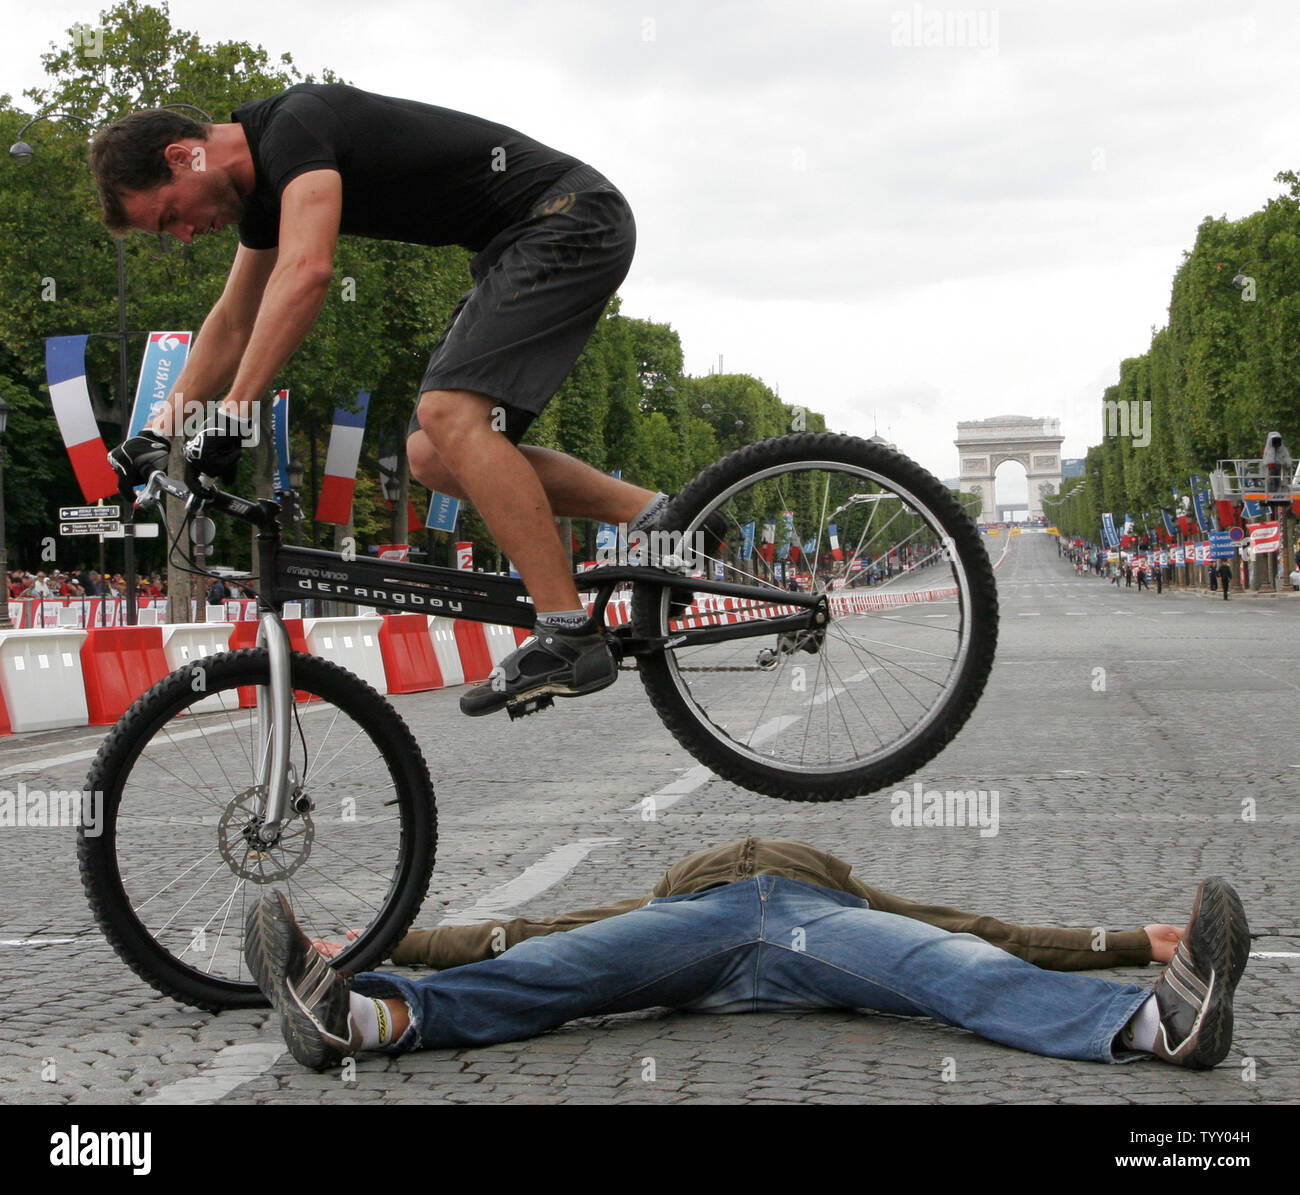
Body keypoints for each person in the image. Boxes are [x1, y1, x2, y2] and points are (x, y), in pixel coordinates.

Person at [93, 85, 672, 717]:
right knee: (433, 455)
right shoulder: (261, 196)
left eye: (169, 214)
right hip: (521, 240)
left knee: (450, 411)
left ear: (183, 158)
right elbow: (233, 319)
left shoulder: (295, 125)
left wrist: (236, 409)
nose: (182, 235)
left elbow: (308, 270)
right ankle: (662, 515)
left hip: (567, 214)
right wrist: (157, 430)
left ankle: (567, 632)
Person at [244, 838, 1250, 1074]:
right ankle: (360, 1008)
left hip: (812, 916)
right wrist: (379, 943)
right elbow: (523, 933)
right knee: (545, 973)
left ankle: (1157, 1019)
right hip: (714, 919)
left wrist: (1127, 942)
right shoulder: (677, 886)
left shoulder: (833, 873)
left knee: (956, 970)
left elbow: (970, 926)